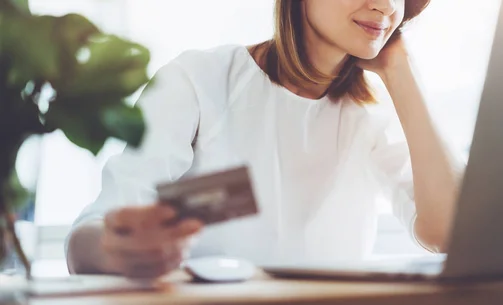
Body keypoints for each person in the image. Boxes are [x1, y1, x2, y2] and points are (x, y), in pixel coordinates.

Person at [66, 0, 464, 279]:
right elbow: (89, 234)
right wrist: (115, 250)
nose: (385, 5)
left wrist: (401, 71)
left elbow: (449, 233)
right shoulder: (198, 80)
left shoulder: (373, 113)